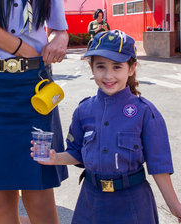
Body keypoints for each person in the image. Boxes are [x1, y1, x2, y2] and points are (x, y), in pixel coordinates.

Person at [31, 30, 181, 223]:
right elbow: (77, 153)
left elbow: (159, 166)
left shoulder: (145, 112)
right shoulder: (84, 111)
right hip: (91, 203)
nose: (108, 75)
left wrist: (175, 207)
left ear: (131, 68)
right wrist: (54, 158)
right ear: (92, 68)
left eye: (117, 67)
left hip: (133, 204)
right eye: (101, 66)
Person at [0, 0, 69, 223]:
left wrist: (60, 38)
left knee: (41, 193)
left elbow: (58, 27)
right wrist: (24, 50)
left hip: (33, 86)